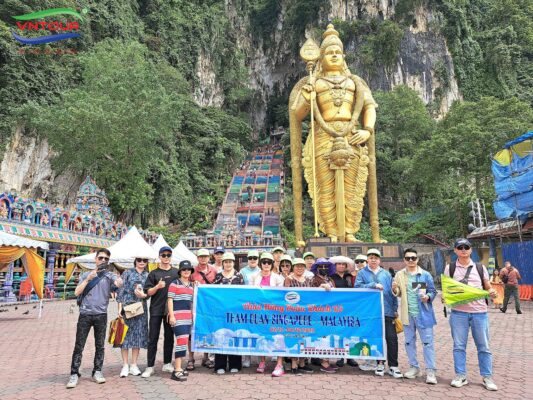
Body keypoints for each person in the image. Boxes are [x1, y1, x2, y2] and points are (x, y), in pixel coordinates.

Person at [289, 24, 378, 243]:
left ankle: (349, 231)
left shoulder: (355, 82)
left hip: (351, 135)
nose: (334, 55)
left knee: (352, 186)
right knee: (325, 187)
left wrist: (367, 130)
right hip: (323, 137)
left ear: (344, 56)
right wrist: (308, 96)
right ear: (321, 58)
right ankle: (330, 231)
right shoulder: (314, 82)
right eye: (329, 52)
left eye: (338, 52)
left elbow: (369, 108)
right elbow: (297, 114)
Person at [444, 238, 498, 391]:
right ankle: (461, 376)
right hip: (458, 313)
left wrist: (492, 292)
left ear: (471, 249)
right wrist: (445, 297)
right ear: (455, 250)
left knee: (484, 347)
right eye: (459, 247)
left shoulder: (480, 268)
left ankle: (487, 377)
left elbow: (487, 286)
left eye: (466, 247)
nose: (463, 250)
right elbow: (447, 289)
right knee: (459, 346)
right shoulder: (450, 268)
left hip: (479, 313)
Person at [66, 249, 123, 388]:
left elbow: (118, 284)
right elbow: (76, 292)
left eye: (106, 259)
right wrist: (88, 279)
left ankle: (97, 371)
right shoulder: (86, 274)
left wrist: (119, 281)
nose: (103, 261)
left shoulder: (109, 276)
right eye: (101, 258)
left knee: (100, 346)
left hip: (101, 315)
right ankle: (74, 373)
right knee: (79, 345)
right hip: (85, 314)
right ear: (95, 259)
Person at [392, 248, 438, 384]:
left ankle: (430, 371)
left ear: (417, 259)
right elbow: (399, 292)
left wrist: (427, 297)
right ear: (404, 260)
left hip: (423, 314)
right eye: (408, 258)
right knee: (409, 342)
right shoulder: (400, 275)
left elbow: (432, 291)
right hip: (407, 314)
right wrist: (395, 289)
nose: (411, 260)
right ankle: (414, 367)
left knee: (427, 343)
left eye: (413, 258)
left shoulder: (425, 274)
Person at [355, 248, 402, 378]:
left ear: (379, 260)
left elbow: (392, 293)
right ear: (367, 260)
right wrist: (373, 285)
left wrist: (394, 309)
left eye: (376, 258)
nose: (373, 260)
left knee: (392, 338)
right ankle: (380, 363)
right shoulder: (362, 273)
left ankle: (393, 366)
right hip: (371, 311)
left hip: (387, 310)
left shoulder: (386, 274)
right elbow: (357, 288)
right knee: (376, 338)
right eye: (371, 257)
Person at [141, 246, 180, 378]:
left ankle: (167, 363)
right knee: (153, 338)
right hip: (156, 309)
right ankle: (150, 366)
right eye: (163, 255)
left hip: (170, 310)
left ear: (171, 257)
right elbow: (147, 292)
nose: (166, 257)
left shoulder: (176, 273)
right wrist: (157, 286)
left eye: (168, 255)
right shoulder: (153, 273)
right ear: (159, 257)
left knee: (169, 338)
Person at [117, 256, 149, 378]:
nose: (142, 262)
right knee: (125, 336)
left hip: (141, 309)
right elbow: (121, 291)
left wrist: (144, 295)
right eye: (139, 260)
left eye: (144, 260)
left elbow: (149, 293)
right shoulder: (127, 273)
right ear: (135, 261)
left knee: (138, 335)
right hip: (127, 307)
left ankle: (134, 364)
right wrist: (119, 308)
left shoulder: (148, 275)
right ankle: (125, 365)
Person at [253, 252, 284, 376]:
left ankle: (279, 364)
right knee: (261, 335)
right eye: (264, 262)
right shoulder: (255, 277)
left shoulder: (278, 278)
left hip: (275, 311)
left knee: (278, 336)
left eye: (269, 262)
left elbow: (280, 295)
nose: (266, 264)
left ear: (272, 264)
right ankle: (262, 361)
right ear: (260, 264)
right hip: (260, 311)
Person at [213, 252, 244, 374]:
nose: (228, 264)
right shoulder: (218, 276)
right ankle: (220, 365)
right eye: (226, 262)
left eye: (230, 261)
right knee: (221, 335)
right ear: (223, 263)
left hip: (235, 312)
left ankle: (234, 364)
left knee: (234, 336)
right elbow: (213, 293)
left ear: (233, 262)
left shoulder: (239, 276)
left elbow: (243, 294)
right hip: (221, 312)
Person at [284, 258, 314, 374]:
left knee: (304, 337)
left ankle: (302, 362)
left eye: (302, 266)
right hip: (292, 314)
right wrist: (287, 282)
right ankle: (293, 363)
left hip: (305, 314)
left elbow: (314, 293)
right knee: (293, 337)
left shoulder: (308, 280)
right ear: (293, 267)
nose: (299, 268)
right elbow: (284, 292)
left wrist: (323, 286)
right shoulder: (289, 279)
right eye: (297, 266)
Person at [167, 260, 195, 382]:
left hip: (188, 317)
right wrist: (172, 316)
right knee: (181, 342)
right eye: (184, 269)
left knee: (183, 342)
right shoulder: (174, 283)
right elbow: (170, 300)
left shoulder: (192, 285)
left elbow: (192, 302)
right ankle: (177, 370)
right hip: (178, 317)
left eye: (188, 269)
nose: (186, 271)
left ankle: (179, 367)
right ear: (180, 271)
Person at [309, 258, 338, 373]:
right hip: (319, 313)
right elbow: (310, 293)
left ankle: (328, 360)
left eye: (326, 266)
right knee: (322, 337)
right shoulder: (314, 279)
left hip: (331, 312)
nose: (323, 268)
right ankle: (324, 363)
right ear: (316, 268)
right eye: (321, 266)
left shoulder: (330, 279)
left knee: (329, 336)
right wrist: (319, 288)